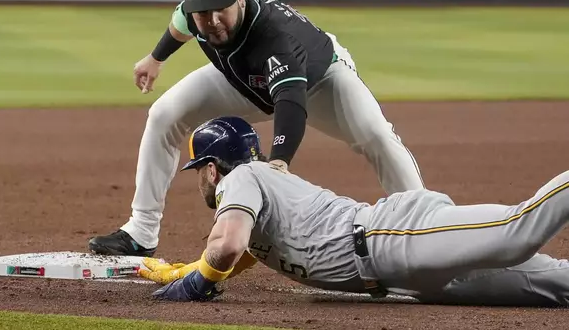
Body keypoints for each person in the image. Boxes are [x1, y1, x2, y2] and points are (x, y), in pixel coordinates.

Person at [88, 0, 424, 257]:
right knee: (163, 115)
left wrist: (278, 162)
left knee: (376, 136)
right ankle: (141, 233)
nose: (214, 19)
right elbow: (179, 25)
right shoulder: (194, 14)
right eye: (204, 12)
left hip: (320, 82)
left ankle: (425, 224)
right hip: (246, 81)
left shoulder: (274, 35)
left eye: (222, 8)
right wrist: (155, 59)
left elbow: (291, 103)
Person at [138, 116, 569, 306]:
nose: (199, 178)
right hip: (407, 277)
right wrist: (188, 269)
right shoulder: (264, 188)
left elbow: (229, 246)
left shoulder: (241, 179)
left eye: (198, 169)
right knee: (557, 286)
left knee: (517, 232)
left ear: (212, 169)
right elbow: (247, 248)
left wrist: (198, 282)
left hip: (393, 237)